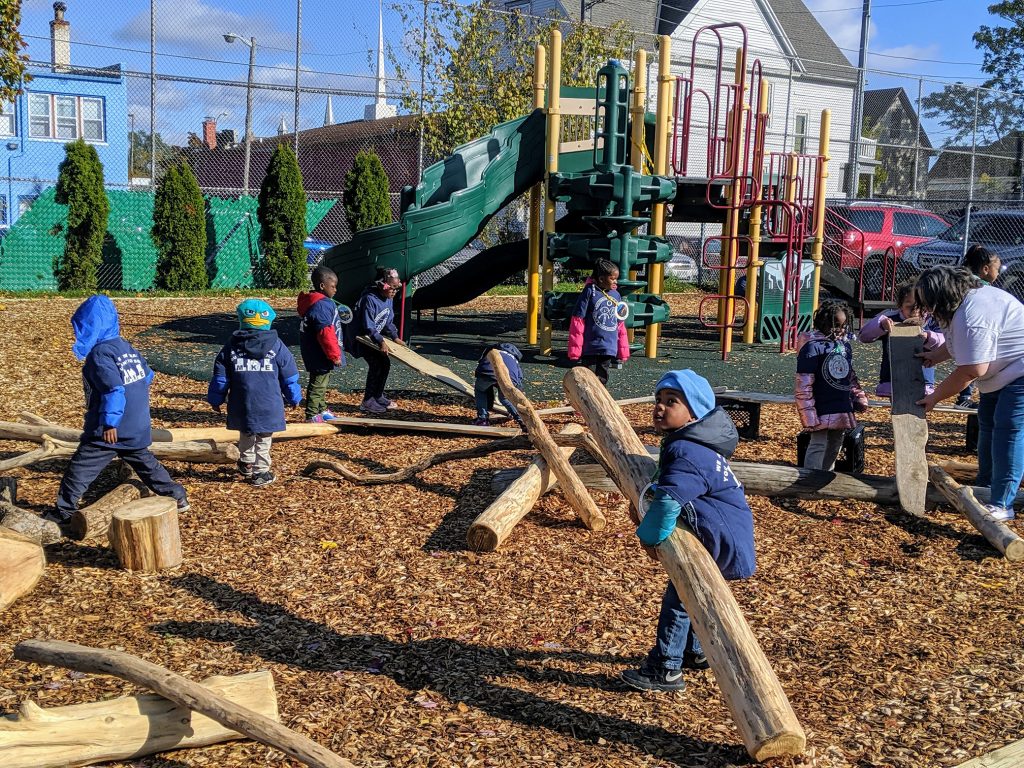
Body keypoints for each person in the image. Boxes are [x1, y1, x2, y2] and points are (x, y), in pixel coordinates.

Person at [620, 369, 756, 692]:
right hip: (729, 533)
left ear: (693, 412)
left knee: (680, 593)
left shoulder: (687, 452)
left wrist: (649, 538)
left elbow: (670, 501)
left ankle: (666, 667)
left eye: (672, 401)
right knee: (692, 589)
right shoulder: (692, 444)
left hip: (723, 539)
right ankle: (695, 651)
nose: (660, 407)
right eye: (658, 400)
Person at [44, 295, 188, 531]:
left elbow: (114, 389)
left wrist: (110, 423)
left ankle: (64, 512)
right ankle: (177, 496)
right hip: (137, 423)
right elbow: (148, 376)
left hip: (109, 429)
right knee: (145, 463)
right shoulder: (125, 346)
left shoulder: (100, 354)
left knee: (80, 469)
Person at [916, 266, 1024, 522]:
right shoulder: (959, 307)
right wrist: (936, 356)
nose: (928, 309)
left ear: (941, 296)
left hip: (1019, 370)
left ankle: (1002, 503)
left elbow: (972, 369)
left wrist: (935, 397)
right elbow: (959, 342)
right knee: (987, 426)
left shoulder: (974, 313)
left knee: (1008, 431)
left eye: (929, 302)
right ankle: (986, 487)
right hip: (999, 374)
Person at [207, 299, 302, 487]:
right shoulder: (277, 346)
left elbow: (221, 377)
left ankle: (246, 462)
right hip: (269, 402)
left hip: (243, 401)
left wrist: (215, 398)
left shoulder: (232, 346)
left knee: (247, 432)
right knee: (264, 437)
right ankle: (261, 472)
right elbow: (289, 375)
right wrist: (294, 397)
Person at [795, 299, 869, 471]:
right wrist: (808, 414)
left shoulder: (844, 346)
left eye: (843, 326)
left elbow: (849, 375)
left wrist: (858, 396)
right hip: (821, 405)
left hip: (840, 403)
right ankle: (811, 478)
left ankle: (827, 475)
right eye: (835, 325)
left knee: (837, 441)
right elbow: (803, 384)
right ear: (823, 322)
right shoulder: (812, 348)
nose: (839, 330)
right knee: (818, 443)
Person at [858, 280, 944, 398]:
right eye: (909, 306)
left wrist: (929, 337)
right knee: (898, 409)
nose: (915, 311)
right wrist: (881, 325)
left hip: (922, 379)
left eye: (919, 306)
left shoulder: (931, 321)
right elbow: (864, 336)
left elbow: (945, 343)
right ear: (900, 305)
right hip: (892, 379)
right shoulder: (890, 318)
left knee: (916, 411)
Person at [567, 259, 630, 387]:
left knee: (603, 376)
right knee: (587, 377)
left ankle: (602, 399)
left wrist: (622, 350)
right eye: (612, 279)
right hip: (591, 345)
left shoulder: (616, 295)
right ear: (601, 279)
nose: (615, 282)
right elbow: (578, 320)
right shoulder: (590, 292)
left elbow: (620, 324)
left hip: (608, 345)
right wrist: (576, 349)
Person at [955, 245, 1004, 408]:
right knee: (975, 364)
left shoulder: (964, 283)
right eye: (997, 269)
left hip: (962, 329)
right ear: (985, 269)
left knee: (970, 364)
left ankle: (966, 396)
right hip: (975, 331)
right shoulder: (982, 288)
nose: (998, 273)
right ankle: (964, 397)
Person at [348, 267, 401, 415]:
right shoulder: (369, 299)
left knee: (385, 363)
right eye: (392, 288)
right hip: (362, 339)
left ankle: (378, 395)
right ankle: (368, 401)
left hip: (374, 339)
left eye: (397, 288)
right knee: (376, 364)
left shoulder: (388, 299)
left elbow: (388, 321)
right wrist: (380, 341)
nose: (394, 292)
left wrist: (395, 337)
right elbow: (368, 325)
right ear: (382, 285)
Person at [298, 265, 345, 423]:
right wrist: (334, 354)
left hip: (315, 350)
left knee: (322, 381)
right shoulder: (322, 305)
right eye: (333, 286)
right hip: (320, 351)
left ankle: (322, 409)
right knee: (318, 383)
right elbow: (325, 332)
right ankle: (311, 414)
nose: (335, 290)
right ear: (322, 286)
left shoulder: (316, 302)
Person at [473, 343, 526, 428]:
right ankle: (520, 419)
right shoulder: (514, 360)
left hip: (487, 374)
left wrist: (480, 376)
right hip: (509, 377)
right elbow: (519, 378)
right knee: (505, 398)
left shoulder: (491, 352)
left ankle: (482, 419)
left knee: (481, 390)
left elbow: (481, 366)